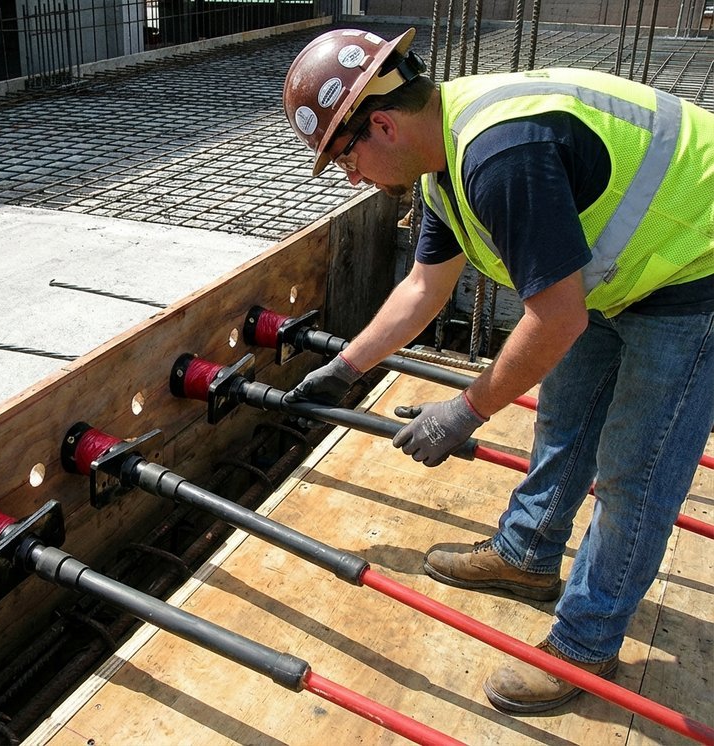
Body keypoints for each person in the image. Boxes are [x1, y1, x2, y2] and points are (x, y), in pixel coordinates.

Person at [281, 27, 714, 713]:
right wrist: (346, 364)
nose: (354, 178)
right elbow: (425, 287)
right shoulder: (444, 163)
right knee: (566, 416)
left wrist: (464, 410)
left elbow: (556, 319)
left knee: (637, 471)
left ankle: (586, 644)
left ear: (383, 124)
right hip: (627, 270)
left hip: (698, 266)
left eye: (345, 160)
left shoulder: (499, 154)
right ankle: (527, 555)